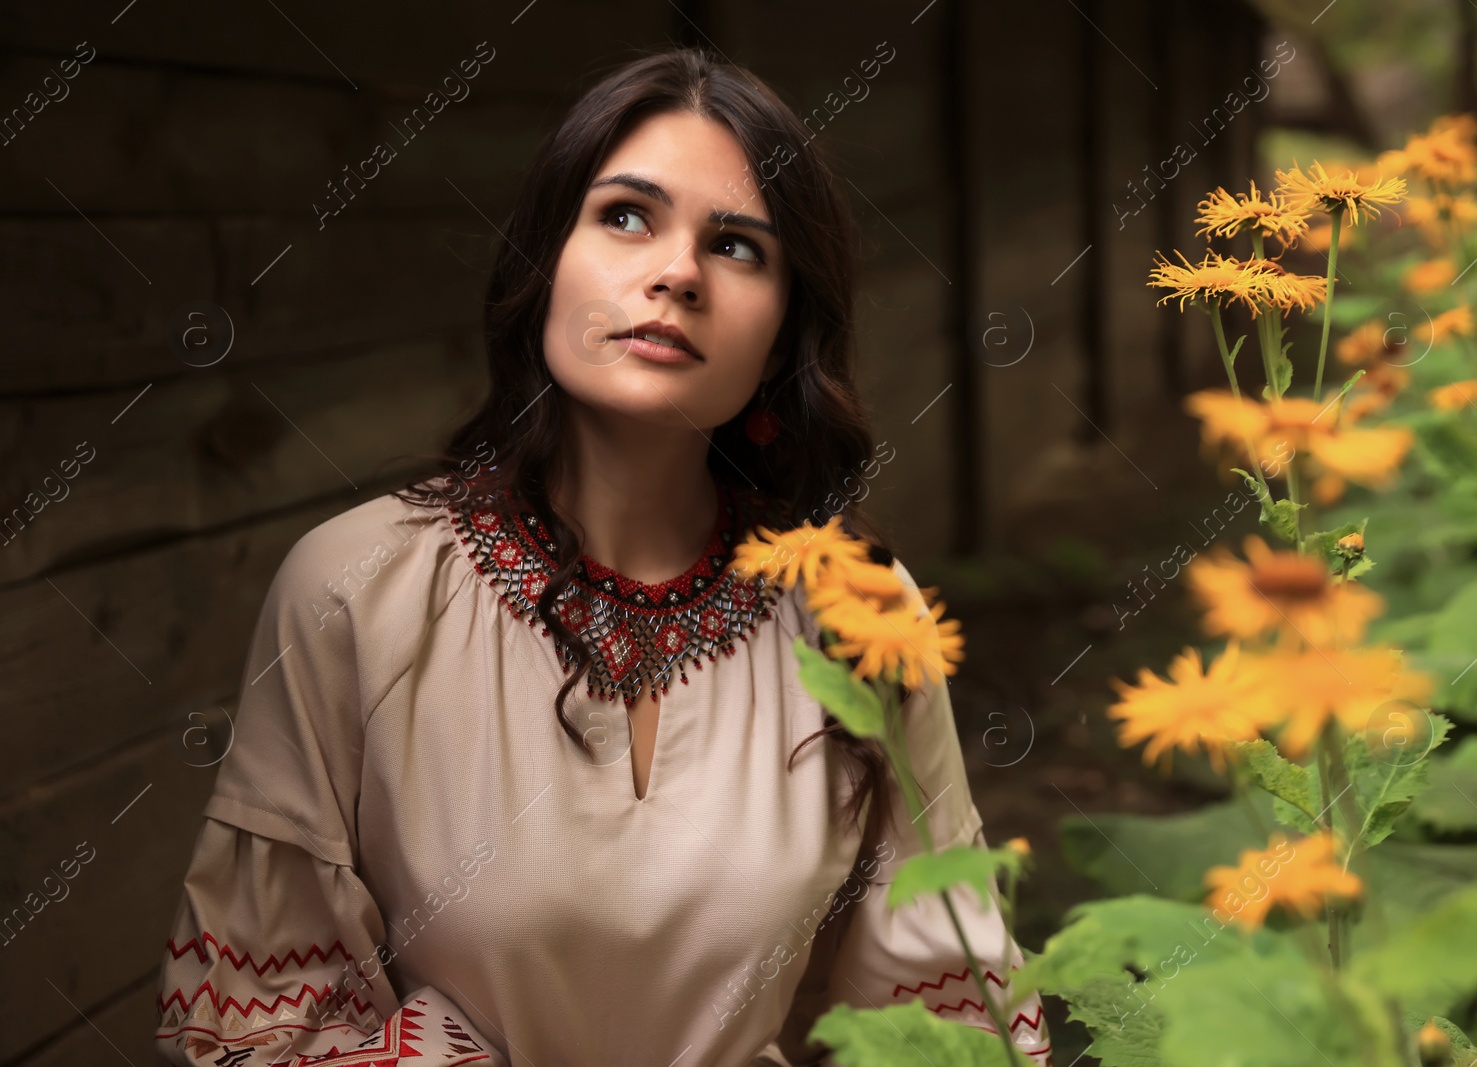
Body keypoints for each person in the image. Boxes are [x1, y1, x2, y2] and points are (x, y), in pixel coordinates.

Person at [154, 46, 1052, 1067]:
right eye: (626, 214)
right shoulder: (354, 589)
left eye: (739, 247)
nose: (674, 271)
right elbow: (259, 1025)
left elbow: (952, 1023)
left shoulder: (857, 608)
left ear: (783, 331)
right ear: (545, 259)